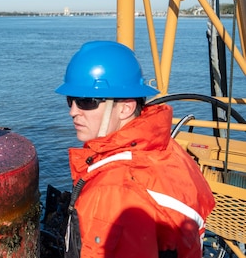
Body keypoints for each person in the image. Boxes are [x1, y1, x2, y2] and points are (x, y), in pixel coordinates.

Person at [55, 41, 215, 258]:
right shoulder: (167, 150)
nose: (73, 111)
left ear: (126, 108)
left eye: (86, 101)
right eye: (70, 100)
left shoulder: (113, 189)